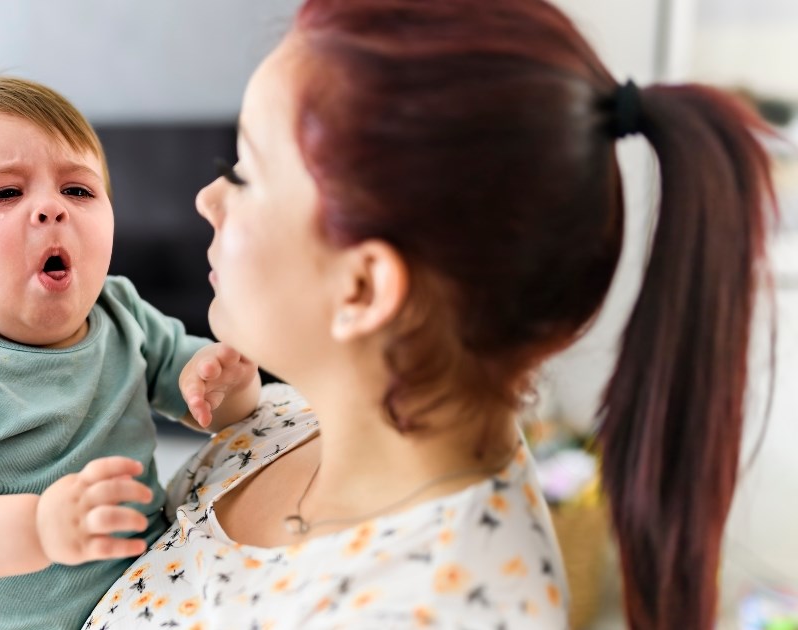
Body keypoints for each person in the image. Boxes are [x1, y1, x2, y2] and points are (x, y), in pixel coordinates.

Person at [87, 0, 779, 628]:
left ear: (363, 289)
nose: (209, 198)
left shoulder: (436, 607)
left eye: (244, 170)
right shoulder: (289, 422)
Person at [0, 75, 261, 630]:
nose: (51, 208)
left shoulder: (122, 312)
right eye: (5, 192)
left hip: (135, 602)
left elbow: (212, 408)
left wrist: (229, 384)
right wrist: (38, 527)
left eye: (78, 190)